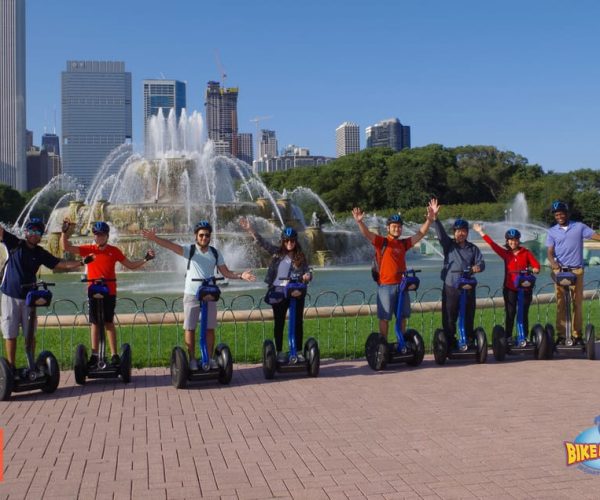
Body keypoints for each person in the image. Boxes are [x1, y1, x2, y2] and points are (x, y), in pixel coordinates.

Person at [142, 221, 255, 370]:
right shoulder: (190, 250)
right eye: (201, 235)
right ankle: (192, 359)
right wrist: (154, 238)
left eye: (207, 235)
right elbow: (171, 246)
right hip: (192, 294)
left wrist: (241, 276)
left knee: (209, 328)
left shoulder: (215, 253)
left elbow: (226, 272)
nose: (204, 238)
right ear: (196, 236)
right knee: (190, 328)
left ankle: (207, 358)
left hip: (209, 294)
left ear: (210, 237)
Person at [61, 220, 155, 366]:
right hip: (93, 290)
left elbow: (130, 265)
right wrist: (64, 232)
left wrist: (145, 259)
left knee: (108, 322)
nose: (99, 237)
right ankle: (94, 354)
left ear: (107, 236)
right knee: (94, 323)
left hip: (109, 291)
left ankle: (114, 354)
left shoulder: (114, 251)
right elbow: (66, 247)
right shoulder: (89, 249)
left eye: (102, 234)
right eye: (97, 234)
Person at [1, 218, 83, 372]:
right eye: (31, 231)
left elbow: (60, 264)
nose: (34, 234)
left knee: (30, 335)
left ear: (41, 235)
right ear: (26, 232)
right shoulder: (15, 243)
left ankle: (31, 365)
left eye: (37, 232)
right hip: (10, 295)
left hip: (29, 298)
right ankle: (10, 369)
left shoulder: (40, 253)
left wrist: (82, 263)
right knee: (10, 333)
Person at [352, 200, 435, 338]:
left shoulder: (403, 243)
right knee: (384, 317)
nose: (397, 229)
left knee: (402, 316)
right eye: (394, 226)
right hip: (386, 285)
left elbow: (420, 234)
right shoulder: (382, 242)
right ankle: (383, 343)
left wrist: (430, 220)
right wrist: (360, 222)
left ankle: (401, 342)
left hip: (402, 285)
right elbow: (367, 234)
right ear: (388, 228)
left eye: (399, 227)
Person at [240, 219, 312, 362]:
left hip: (296, 291)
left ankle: (297, 351)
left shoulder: (301, 257)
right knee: (279, 322)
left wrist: (307, 276)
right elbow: (263, 243)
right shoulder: (277, 253)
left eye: (292, 241)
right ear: (283, 241)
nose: (289, 243)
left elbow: (308, 271)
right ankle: (279, 351)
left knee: (297, 322)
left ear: (295, 241)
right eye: (286, 241)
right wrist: (251, 229)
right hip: (278, 291)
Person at [430, 199, 485, 346]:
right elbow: (441, 235)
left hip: (467, 285)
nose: (460, 233)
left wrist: (477, 267)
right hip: (451, 286)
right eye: (458, 231)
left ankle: (468, 338)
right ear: (454, 232)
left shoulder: (473, 249)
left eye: (463, 231)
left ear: (467, 233)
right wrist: (435, 218)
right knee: (449, 315)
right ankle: (449, 340)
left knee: (468, 314)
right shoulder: (449, 245)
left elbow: (481, 262)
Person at [473, 223, 540, 343]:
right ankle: (508, 337)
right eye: (510, 240)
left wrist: (534, 269)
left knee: (523, 313)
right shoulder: (506, 254)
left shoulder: (526, 253)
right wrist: (481, 232)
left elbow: (536, 266)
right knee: (510, 313)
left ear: (518, 241)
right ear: (507, 241)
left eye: (515, 240)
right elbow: (493, 245)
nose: (513, 242)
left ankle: (523, 337)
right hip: (510, 288)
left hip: (525, 288)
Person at [545, 201, 600, 343]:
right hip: (560, 271)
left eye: (561, 213)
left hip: (576, 270)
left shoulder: (579, 227)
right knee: (561, 303)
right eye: (557, 214)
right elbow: (550, 252)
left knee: (577, 303)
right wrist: (554, 265)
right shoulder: (552, 231)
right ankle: (562, 335)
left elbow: (595, 236)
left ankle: (577, 334)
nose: (559, 216)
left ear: (567, 213)